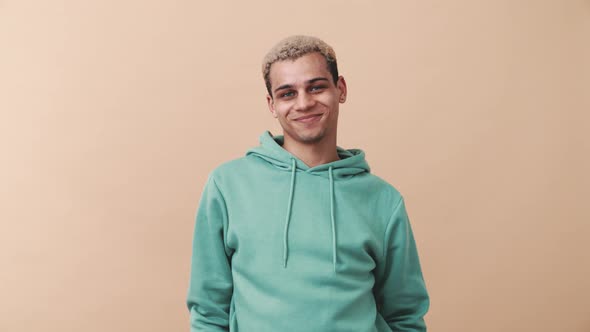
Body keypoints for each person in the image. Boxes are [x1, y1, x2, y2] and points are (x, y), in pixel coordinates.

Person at [186, 35, 430, 332]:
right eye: (287, 93)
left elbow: (405, 315)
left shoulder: (384, 200)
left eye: (316, 87)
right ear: (272, 104)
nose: (304, 103)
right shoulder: (227, 186)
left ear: (340, 89)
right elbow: (208, 311)